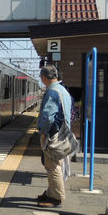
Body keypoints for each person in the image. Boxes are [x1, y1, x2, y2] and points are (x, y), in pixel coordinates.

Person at [36, 64, 73, 207]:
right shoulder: (62, 90)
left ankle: (56, 198)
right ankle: (50, 193)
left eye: (41, 77)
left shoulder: (52, 92)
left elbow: (47, 116)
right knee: (54, 165)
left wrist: (44, 134)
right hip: (62, 134)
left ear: (44, 77)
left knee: (52, 166)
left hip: (53, 135)